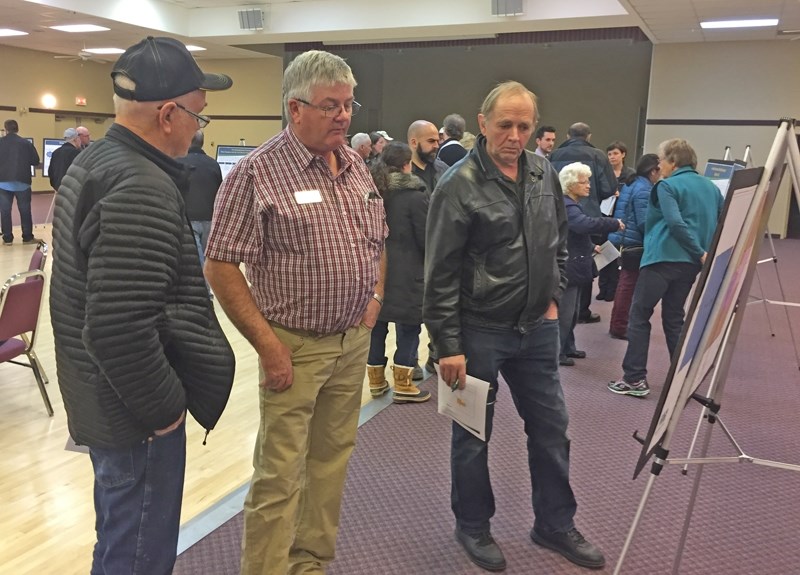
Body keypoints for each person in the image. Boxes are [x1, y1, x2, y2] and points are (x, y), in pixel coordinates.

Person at [49, 36, 235, 574]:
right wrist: (165, 413)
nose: (201, 129)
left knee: (117, 541)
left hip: (103, 402)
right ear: (169, 114)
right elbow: (116, 328)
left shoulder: (95, 163)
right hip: (133, 415)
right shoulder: (140, 185)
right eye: (201, 116)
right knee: (137, 556)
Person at [203, 50, 387, 575]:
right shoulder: (255, 173)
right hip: (294, 348)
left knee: (330, 464)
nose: (343, 116)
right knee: (279, 475)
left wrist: (373, 301)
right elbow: (220, 266)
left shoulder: (354, 166)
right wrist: (269, 345)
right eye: (330, 105)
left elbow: (379, 241)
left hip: (352, 342)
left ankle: (308, 563)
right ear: (295, 108)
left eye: (348, 105)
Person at [425, 80, 605, 572]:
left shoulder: (542, 171)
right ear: (482, 123)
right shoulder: (457, 186)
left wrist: (554, 292)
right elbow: (438, 274)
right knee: (472, 434)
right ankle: (473, 526)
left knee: (551, 429)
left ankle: (554, 523)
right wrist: (447, 345)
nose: (515, 134)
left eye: (524, 125)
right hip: (478, 331)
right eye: (505, 124)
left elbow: (560, 239)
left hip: (535, 330)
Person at [609, 139, 723, 397]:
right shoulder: (712, 188)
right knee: (674, 318)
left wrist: (697, 251)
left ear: (673, 161)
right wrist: (703, 254)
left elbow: (675, 223)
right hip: (691, 265)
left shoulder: (666, 186)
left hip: (662, 260)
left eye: (661, 160)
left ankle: (634, 379)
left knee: (638, 316)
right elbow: (719, 224)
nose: (658, 166)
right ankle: (683, 379)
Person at [366, 141, 431, 403]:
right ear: (407, 164)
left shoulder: (372, 192)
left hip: (375, 272)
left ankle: (376, 381)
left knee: (376, 328)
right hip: (408, 272)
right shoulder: (416, 196)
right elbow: (426, 238)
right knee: (408, 328)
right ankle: (403, 384)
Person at [549, 122, 617, 324]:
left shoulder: (554, 156)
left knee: (562, 259)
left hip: (559, 212)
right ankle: (582, 310)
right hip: (591, 215)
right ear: (589, 136)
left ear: (568, 135)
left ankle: (563, 309)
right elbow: (609, 188)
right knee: (587, 262)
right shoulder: (598, 155)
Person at [557, 162, 623, 366]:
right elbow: (582, 224)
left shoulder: (571, 204)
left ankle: (568, 347)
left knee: (573, 312)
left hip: (574, 264)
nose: (588, 186)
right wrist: (613, 223)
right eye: (583, 182)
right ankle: (558, 353)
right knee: (565, 315)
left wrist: (590, 246)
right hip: (569, 267)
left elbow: (575, 232)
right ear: (570, 185)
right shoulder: (568, 206)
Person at [607, 153, 660, 340]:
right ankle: (620, 326)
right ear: (653, 171)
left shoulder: (632, 183)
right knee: (628, 286)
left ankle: (618, 323)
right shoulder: (644, 189)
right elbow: (644, 221)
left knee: (625, 284)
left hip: (625, 240)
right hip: (634, 242)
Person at [595, 141, 636, 301]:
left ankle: (613, 289)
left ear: (623, 154)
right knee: (603, 252)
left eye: (615, 153)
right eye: (610, 154)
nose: (612, 157)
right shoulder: (603, 173)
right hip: (605, 215)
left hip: (622, 216)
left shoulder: (630, 174)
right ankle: (603, 287)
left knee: (616, 254)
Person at [176, 129, 223, 268]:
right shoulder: (214, 164)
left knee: (196, 262)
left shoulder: (178, 162)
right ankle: (208, 288)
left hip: (188, 219)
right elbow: (220, 192)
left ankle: (204, 289)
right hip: (210, 219)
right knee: (208, 259)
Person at [0, 119, 40, 246]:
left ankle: (7, 239)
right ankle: (27, 237)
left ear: (5, 129)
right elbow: (35, 161)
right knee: (25, 210)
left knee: (5, 211)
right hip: (23, 182)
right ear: (17, 129)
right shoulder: (26, 143)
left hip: (3, 182)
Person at [408, 119, 449, 194]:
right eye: (431, 141)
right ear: (414, 143)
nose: (437, 146)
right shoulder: (401, 175)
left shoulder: (444, 169)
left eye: (438, 141)